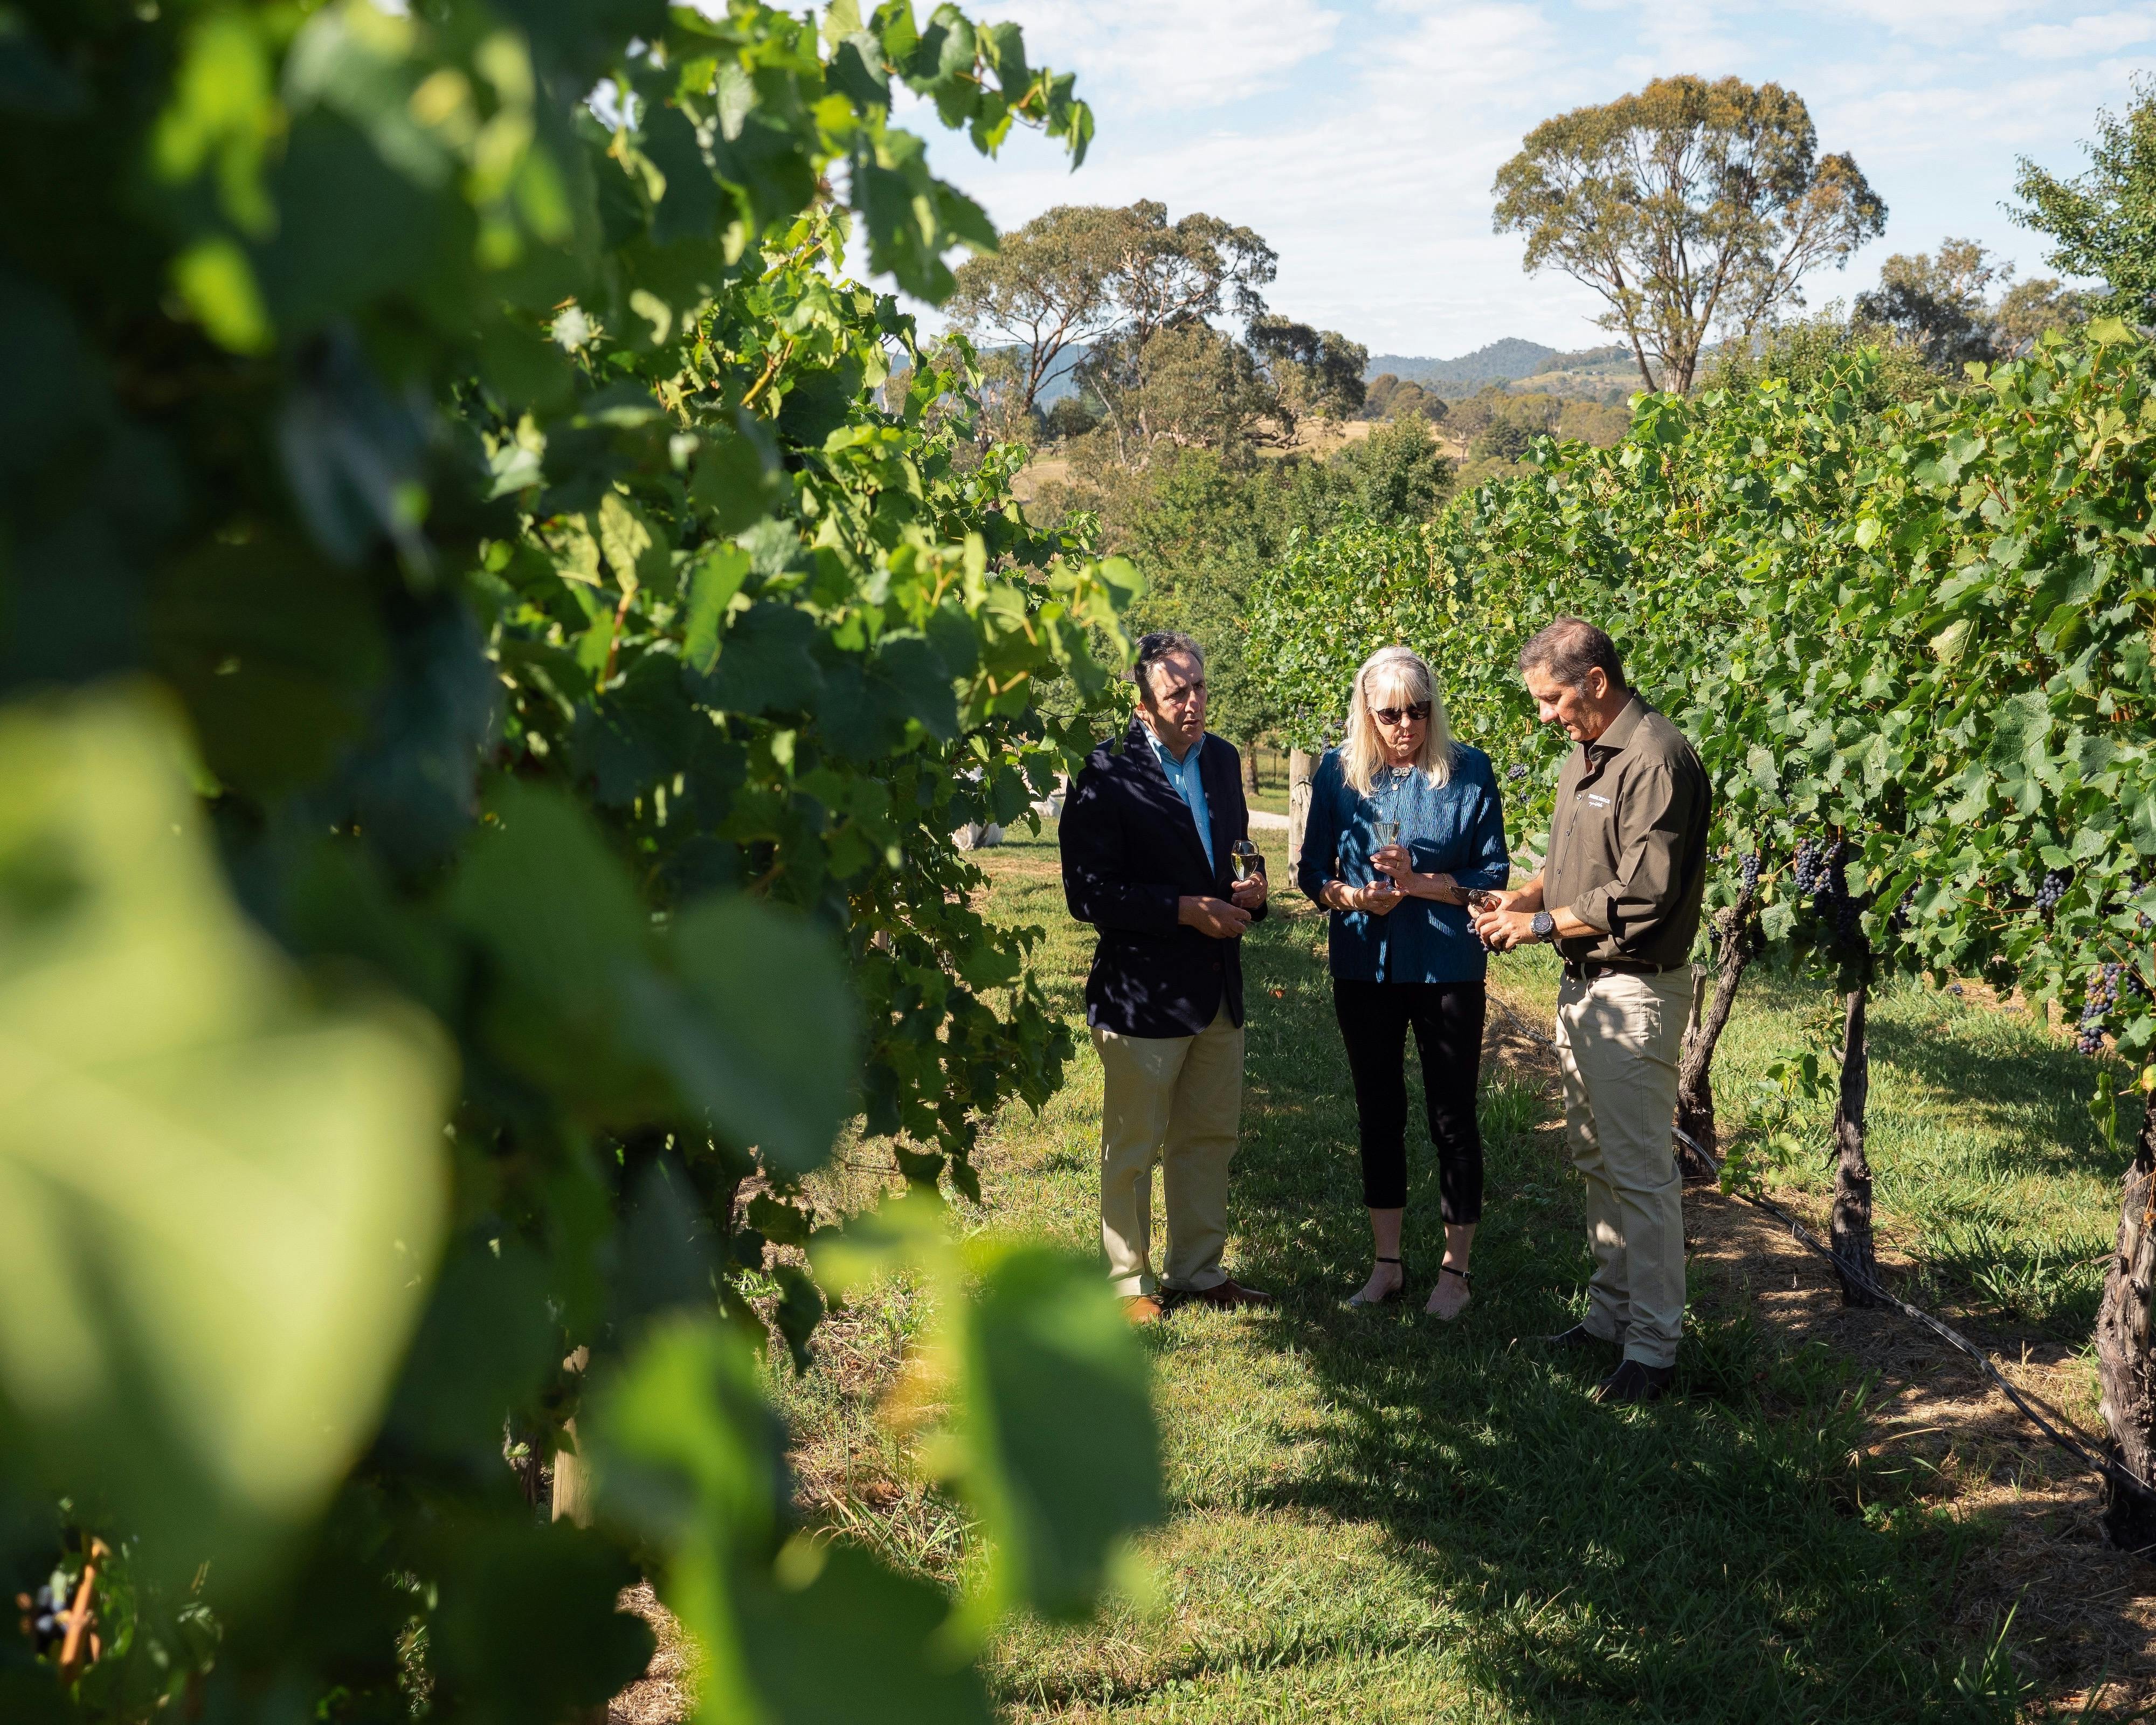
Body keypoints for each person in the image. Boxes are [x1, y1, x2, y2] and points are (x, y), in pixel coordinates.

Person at [1473, 617, 1709, 1405]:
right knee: (1596, 1159)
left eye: (1551, 699)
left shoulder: (1656, 759)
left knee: (1641, 1173)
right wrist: (1526, 895)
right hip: (1585, 990)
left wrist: (1536, 926)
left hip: (1633, 988)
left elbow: (1641, 896)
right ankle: (1609, 1317)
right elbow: (1568, 867)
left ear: (1595, 683)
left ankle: (1655, 1348)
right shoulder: (1587, 756)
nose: (1544, 715)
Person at [1060, 630, 1274, 1325]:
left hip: (1217, 986)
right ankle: (1128, 1282)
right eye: (1176, 692)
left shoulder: (1222, 759)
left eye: (1199, 687)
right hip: (1143, 994)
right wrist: (1185, 911)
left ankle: (1198, 1268)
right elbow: (1089, 893)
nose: (1193, 703)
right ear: (1142, 702)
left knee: (1208, 1136)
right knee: (1133, 1145)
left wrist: (1253, 890)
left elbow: (1237, 849)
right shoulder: (1104, 772)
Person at [1298, 647, 1509, 1319]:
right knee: (1379, 1113)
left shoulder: (1469, 771)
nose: (1405, 726)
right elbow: (1311, 872)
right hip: (1366, 965)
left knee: (1452, 1115)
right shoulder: (1338, 772)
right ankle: (1386, 1264)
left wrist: (1423, 885)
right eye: (1389, 714)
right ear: (1367, 713)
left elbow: (1493, 878)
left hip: (1447, 964)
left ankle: (1455, 1271)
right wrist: (1352, 898)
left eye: (1418, 711)